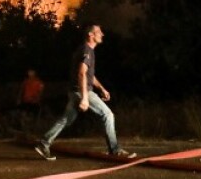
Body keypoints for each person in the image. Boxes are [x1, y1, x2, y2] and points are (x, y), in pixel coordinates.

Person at [35, 25, 135, 160]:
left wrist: (102, 88)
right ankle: (115, 150)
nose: (102, 34)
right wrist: (85, 97)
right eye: (99, 32)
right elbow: (81, 73)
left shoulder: (84, 50)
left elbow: (89, 76)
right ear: (90, 35)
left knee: (66, 119)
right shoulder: (87, 50)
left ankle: (44, 143)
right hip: (82, 91)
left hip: (74, 91)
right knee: (107, 115)